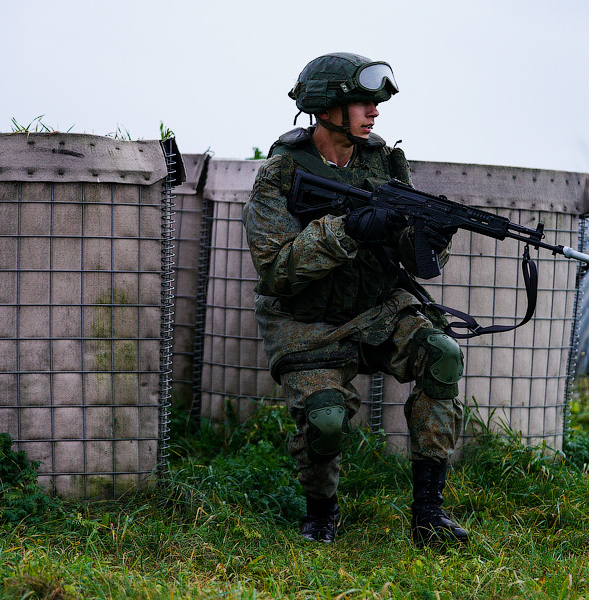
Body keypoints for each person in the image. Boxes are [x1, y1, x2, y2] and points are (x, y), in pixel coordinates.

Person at [242, 52, 467, 548]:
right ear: (326, 107)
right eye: (363, 102)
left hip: (379, 307)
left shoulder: (382, 163)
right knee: (324, 419)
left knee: (442, 355)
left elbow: (410, 255)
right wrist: (348, 229)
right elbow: (277, 270)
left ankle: (429, 513)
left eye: (375, 103)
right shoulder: (280, 174)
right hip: (308, 320)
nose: (375, 112)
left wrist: (432, 232)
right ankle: (321, 513)